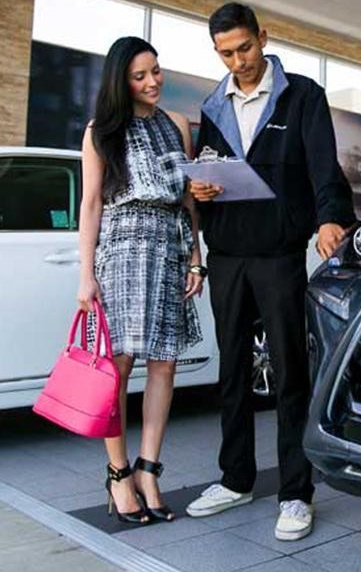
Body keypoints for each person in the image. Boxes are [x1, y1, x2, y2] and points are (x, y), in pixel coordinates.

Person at [185, 3, 355, 540]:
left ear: (263, 36)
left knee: (288, 374)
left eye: (244, 48)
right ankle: (235, 478)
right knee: (232, 371)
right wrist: (200, 191)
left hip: (279, 255)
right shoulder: (214, 106)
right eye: (226, 53)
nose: (238, 61)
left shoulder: (302, 95)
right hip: (228, 254)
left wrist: (331, 219)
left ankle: (295, 493)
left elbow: (324, 167)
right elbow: (207, 175)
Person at [77, 36, 205, 525]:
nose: (152, 82)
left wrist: (196, 258)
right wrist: (85, 275)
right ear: (121, 81)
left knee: (165, 363)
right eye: (139, 75)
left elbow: (189, 200)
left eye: (156, 70)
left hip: (169, 248)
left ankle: (150, 470)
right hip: (123, 249)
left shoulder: (177, 126)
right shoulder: (101, 131)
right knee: (119, 365)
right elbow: (91, 205)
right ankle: (118, 473)